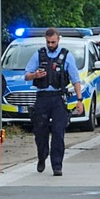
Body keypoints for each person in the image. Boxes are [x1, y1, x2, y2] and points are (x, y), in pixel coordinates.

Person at [24, 28, 84, 176]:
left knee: (58, 132)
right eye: (48, 42)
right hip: (42, 98)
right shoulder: (39, 55)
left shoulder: (66, 56)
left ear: (58, 40)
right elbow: (26, 76)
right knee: (40, 132)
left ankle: (57, 165)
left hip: (58, 98)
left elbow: (76, 79)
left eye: (53, 42)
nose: (51, 45)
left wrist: (79, 100)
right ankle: (42, 156)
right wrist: (35, 75)